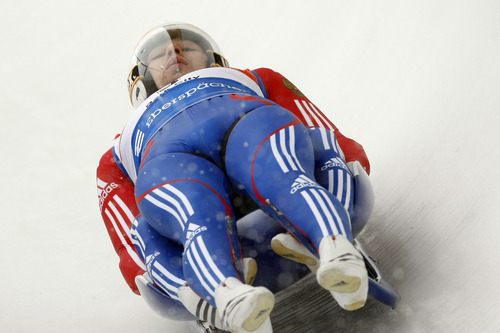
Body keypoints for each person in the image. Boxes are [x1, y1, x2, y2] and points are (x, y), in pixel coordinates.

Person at [97, 22, 372, 332]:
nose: (175, 53)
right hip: (171, 159)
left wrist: (354, 164)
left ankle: (335, 249)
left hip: (246, 121)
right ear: (142, 79)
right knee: (163, 225)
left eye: (187, 48)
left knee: (294, 166)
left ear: (214, 60)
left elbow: (326, 133)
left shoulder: (256, 79)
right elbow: (129, 243)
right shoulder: (115, 154)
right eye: (161, 54)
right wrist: (158, 283)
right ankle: (229, 297)